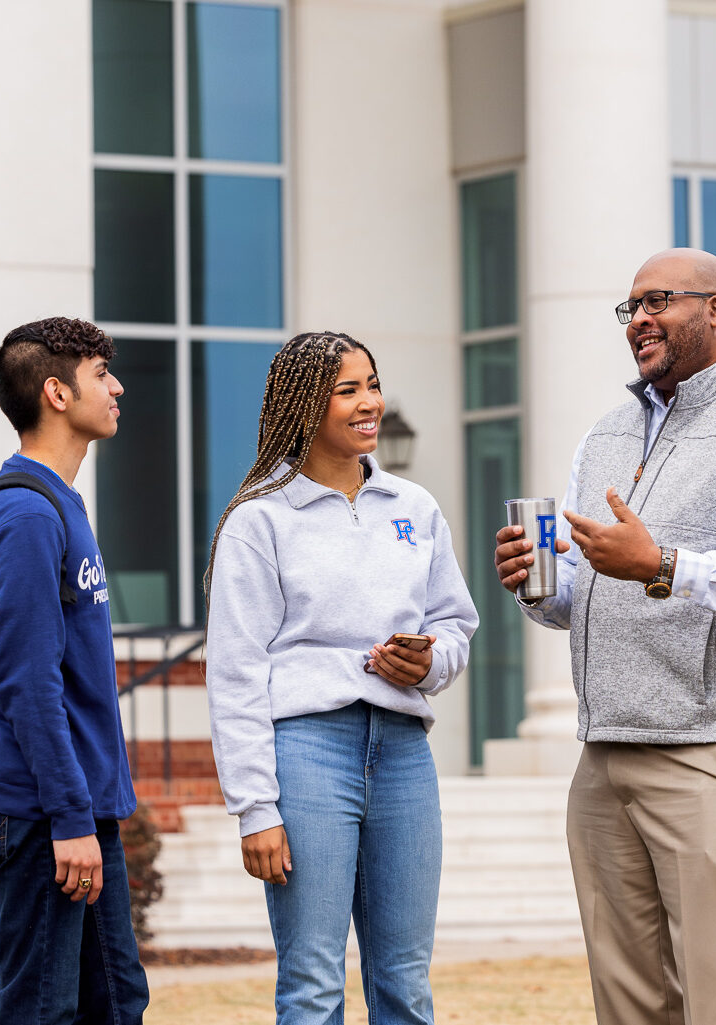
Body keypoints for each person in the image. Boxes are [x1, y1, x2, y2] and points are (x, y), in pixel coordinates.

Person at [494, 249, 716, 1025]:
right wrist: (538, 588)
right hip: (607, 747)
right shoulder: (606, 435)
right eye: (630, 308)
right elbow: (583, 597)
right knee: (630, 999)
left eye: (658, 302)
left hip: (713, 746)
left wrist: (663, 563)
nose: (638, 320)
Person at [205, 331, 478, 1025]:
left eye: (373, 384)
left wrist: (429, 660)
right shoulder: (259, 521)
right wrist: (255, 807)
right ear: (304, 406)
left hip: (402, 753)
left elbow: (456, 623)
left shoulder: (414, 509)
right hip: (306, 753)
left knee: (406, 982)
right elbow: (236, 674)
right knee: (312, 982)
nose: (370, 403)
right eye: (348, 389)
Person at [0, 317, 148, 1023]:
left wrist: (88, 812)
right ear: (56, 393)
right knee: (43, 1008)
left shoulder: (61, 505)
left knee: (116, 999)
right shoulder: (26, 516)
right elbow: (27, 682)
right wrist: (70, 816)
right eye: (102, 372)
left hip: (80, 806)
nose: (118, 385)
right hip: (47, 812)